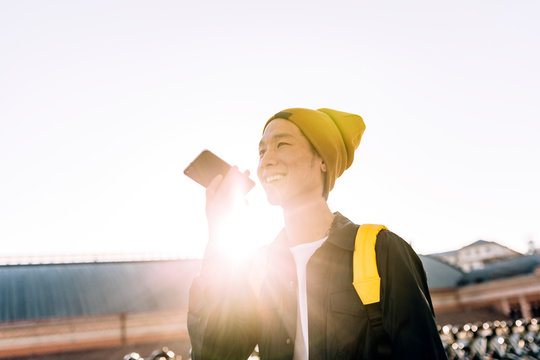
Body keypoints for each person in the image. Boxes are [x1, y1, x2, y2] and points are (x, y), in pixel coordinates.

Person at [187, 108, 447, 360]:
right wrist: (218, 236)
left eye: (282, 145)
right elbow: (213, 354)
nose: (266, 160)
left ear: (322, 159)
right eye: (261, 150)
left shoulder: (381, 251)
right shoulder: (260, 268)